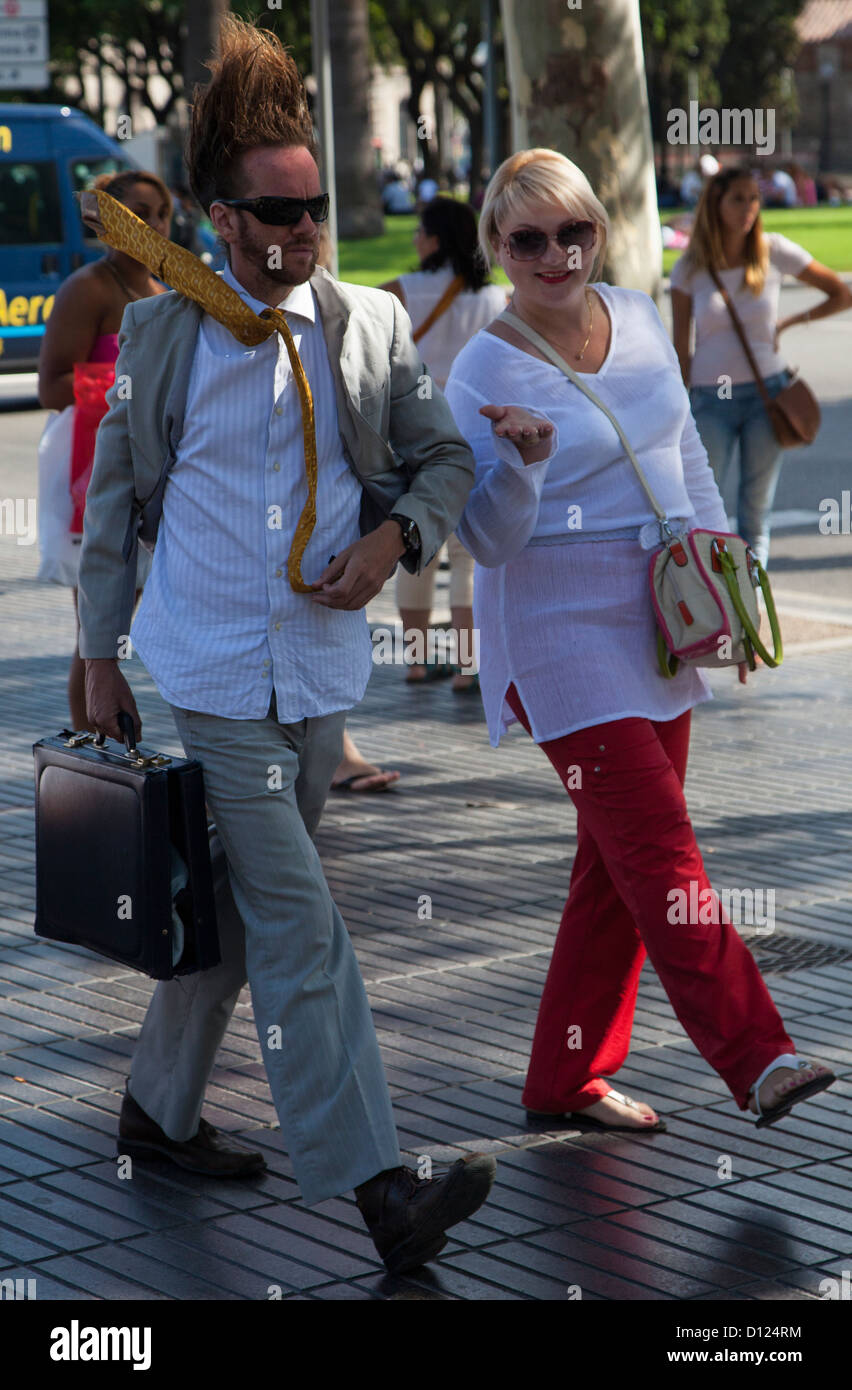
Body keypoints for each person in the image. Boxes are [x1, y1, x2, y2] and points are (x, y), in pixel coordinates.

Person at [77, 17, 495, 1274]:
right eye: (273, 211)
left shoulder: (365, 326)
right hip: (204, 666)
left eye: (313, 206)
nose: (300, 230)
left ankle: (155, 1110)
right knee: (303, 918)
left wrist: (395, 544)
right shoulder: (161, 337)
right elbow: (111, 510)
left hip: (316, 674)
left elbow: (445, 456)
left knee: (246, 917)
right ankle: (380, 1188)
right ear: (216, 214)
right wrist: (96, 655)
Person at [444, 147, 835, 1136]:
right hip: (556, 633)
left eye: (573, 231)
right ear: (497, 248)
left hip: (659, 618)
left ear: (600, 233)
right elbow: (483, 538)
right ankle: (759, 1055)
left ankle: (563, 1075)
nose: (555, 254)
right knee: (661, 852)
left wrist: (729, 587)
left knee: (612, 866)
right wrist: (524, 464)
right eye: (528, 238)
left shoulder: (637, 316)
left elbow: (684, 456)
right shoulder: (481, 368)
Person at [37, 170, 172, 730]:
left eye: (162, 211)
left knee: (125, 620)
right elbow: (51, 386)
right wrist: (129, 389)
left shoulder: (165, 289)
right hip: (89, 470)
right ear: (105, 219)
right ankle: (92, 767)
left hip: (149, 469)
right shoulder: (88, 287)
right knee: (98, 629)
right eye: (139, 210)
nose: (154, 222)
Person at [671, 165, 852, 567]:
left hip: (767, 395)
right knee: (703, 508)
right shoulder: (690, 267)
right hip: (709, 398)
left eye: (754, 198)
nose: (749, 208)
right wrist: (677, 411)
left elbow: (841, 293)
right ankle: (715, 607)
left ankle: (754, 611)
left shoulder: (773, 250)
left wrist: (791, 321)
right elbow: (680, 348)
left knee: (755, 514)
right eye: (738, 198)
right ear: (715, 204)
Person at [382, 197, 508, 691]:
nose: (415, 237)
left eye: (420, 230)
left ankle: (415, 659)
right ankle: (466, 665)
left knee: (416, 546)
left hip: (415, 433)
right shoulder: (497, 300)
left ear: (435, 239)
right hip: (475, 433)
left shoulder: (399, 292)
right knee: (467, 556)